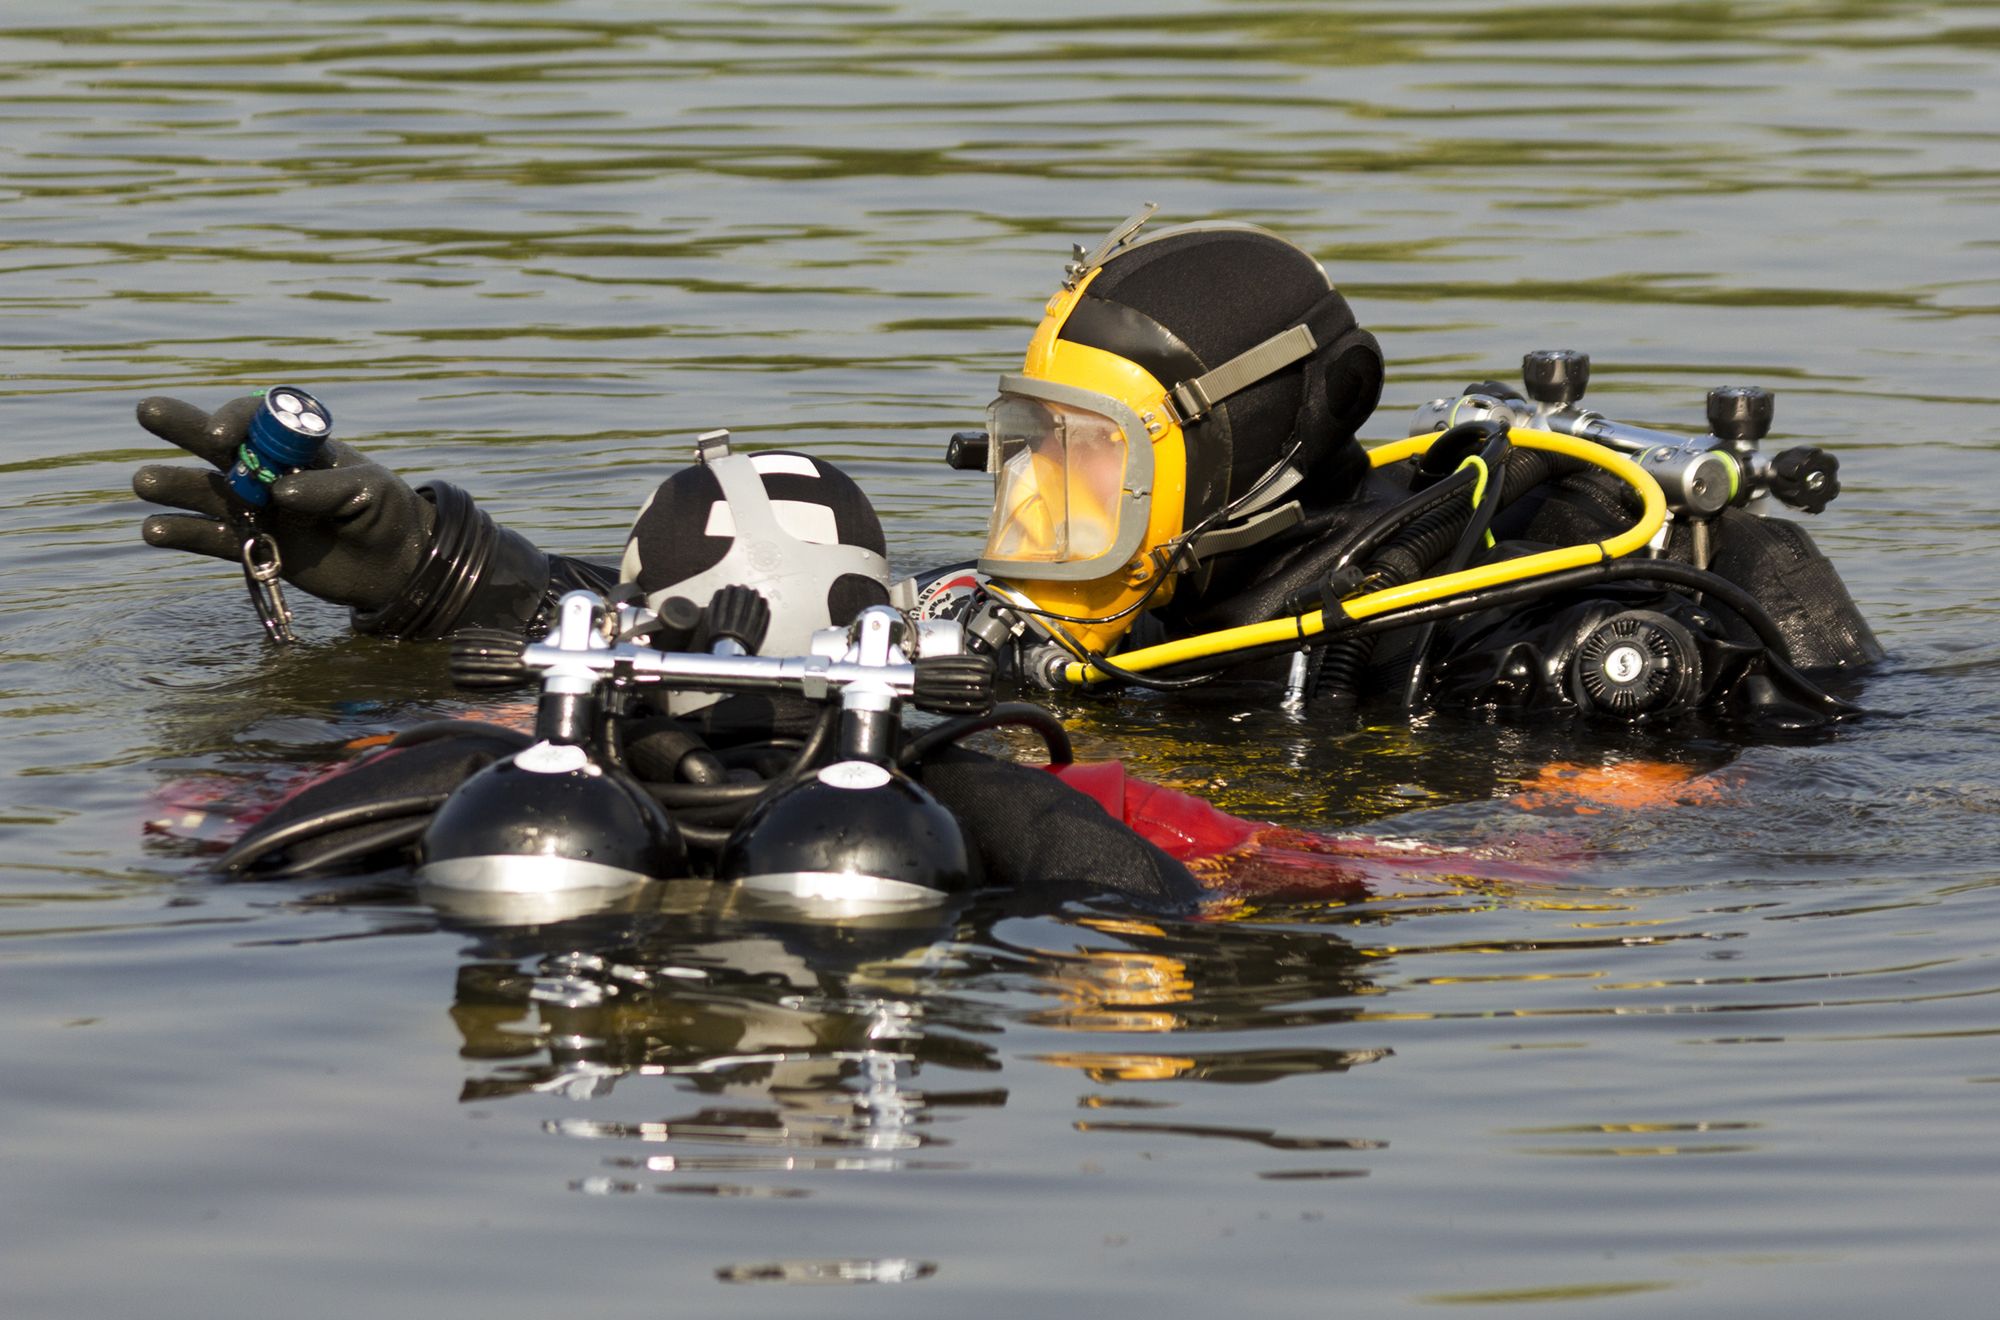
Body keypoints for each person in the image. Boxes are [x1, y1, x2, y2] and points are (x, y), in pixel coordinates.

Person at [130, 209, 1879, 735]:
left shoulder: (1416, 651)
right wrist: (434, 564)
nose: (1034, 516)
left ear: (1236, 483)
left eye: (1090, 467)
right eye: (1022, 453)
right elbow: (766, 634)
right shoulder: (1089, 613)